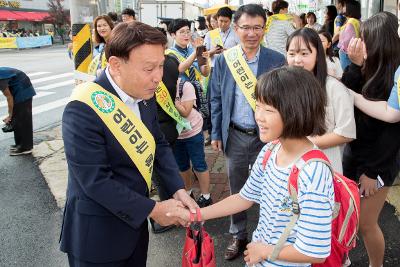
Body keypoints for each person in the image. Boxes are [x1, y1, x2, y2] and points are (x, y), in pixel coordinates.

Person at [60, 22, 197, 266]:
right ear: (115, 65)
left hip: (135, 231)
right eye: (148, 69)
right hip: (97, 237)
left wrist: (178, 189)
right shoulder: (83, 107)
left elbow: (158, 144)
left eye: (160, 66)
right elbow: (95, 182)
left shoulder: (144, 94)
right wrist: (155, 211)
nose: (158, 77)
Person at [172, 66, 334, 266]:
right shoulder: (270, 151)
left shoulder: (313, 172)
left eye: (268, 110)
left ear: (295, 112)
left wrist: (266, 251)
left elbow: (316, 251)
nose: (258, 116)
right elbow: (244, 197)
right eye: (257, 106)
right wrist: (196, 214)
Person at [210, 4, 286, 261]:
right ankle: (238, 233)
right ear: (235, 28)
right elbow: (216, 98)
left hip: (270, 137)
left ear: (264, 29)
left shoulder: (276, 59)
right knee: (237, 187)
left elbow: (285, 99)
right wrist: (216, 133)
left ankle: (269, 236)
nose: (252, 33)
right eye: (245, 27)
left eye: (257, 27)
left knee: (274, 187)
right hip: (236, 135)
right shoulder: (224, 60)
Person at [340, 12, 400, 267]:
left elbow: (392, 134)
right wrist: (354, 65)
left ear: (378, 42)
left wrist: (372, 172)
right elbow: (346, 94)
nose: (358, 43)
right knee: (349, 216)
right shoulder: (368, 67)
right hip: (355, 154)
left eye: (364, 38)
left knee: (366, 223)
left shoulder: (394, 77)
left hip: (377, 163)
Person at [286, 28, 355, 173]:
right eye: (292, 54)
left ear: (317, 55)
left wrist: (305, 144)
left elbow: (346, 133)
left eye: (304, 53)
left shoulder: (334, 88)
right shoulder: (283, 88)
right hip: (290, 164)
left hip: (324, 166)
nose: (297, 60)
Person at [0, 67, 36, 156]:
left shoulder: (1, 80)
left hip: (23, 90)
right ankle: (19, 144)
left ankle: (25, 148)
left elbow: (9, 97)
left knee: (22, 119)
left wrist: (10, 115)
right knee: (17, 118)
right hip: (17, 86)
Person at [338, 0, 361, 70]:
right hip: (353, 51)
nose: (343, 7)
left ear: (350, 8)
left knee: (347, 73)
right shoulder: (357, 21)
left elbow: (346, 40)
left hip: (347, 54)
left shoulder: (351, 21)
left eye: (345, 6)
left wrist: (341, 48)